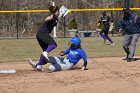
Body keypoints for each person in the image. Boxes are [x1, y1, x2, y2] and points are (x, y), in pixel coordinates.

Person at [34, 5, 62, 70]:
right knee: (53, 44)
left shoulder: (55, 17)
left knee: (45, 49)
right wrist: (53, 16)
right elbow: (46, 19)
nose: (59, 12)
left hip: (40, 34)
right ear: (57, 11)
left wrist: (59, 17)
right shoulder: (52, 16)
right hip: (42, 33)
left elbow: (56, 20)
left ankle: (39, 65)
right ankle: (45, 53)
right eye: (59, 11)